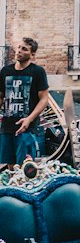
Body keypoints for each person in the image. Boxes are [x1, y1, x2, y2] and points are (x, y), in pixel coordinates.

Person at [0, 38, 50, 166]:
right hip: (7, 126)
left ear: (32, 54)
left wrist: (29, 119)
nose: (19, 51)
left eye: (24, 49)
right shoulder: (5, 71)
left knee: (25, 166)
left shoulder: (37, 72)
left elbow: (44, 99)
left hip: (27, 128)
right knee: (8, 166)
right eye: (18, 47)